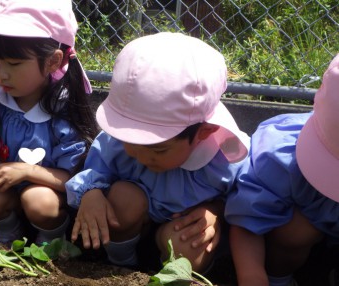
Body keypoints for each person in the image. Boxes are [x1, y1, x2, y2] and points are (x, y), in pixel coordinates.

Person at [66, 32, 250, 272]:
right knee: (123, 198)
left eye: (157, 149)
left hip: (179, 228)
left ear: (203, 132)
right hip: (135, 221)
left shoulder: (226, 158)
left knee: (191, 244)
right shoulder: (116, 142)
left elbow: (244, 201)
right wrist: (91, 194)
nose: (140, 156)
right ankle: (120, 268)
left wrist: (217, 212)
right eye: (130, 142)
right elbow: (96, 168)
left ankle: (176, 275)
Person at [0, 0, 98, 246]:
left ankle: (52, 242)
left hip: (50, 199)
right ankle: (7, 235)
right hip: (4, 197)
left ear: (53, 61)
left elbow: (73, 178)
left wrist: (28, 171)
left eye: (14, 64)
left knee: (39, 200)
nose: (0, 73)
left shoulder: (65, 112)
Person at [225, 54, 339, 286]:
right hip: (303, 230)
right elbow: (248, 220)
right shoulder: (281, 156)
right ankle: (280, 279)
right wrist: (253, 277)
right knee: (296, 231)